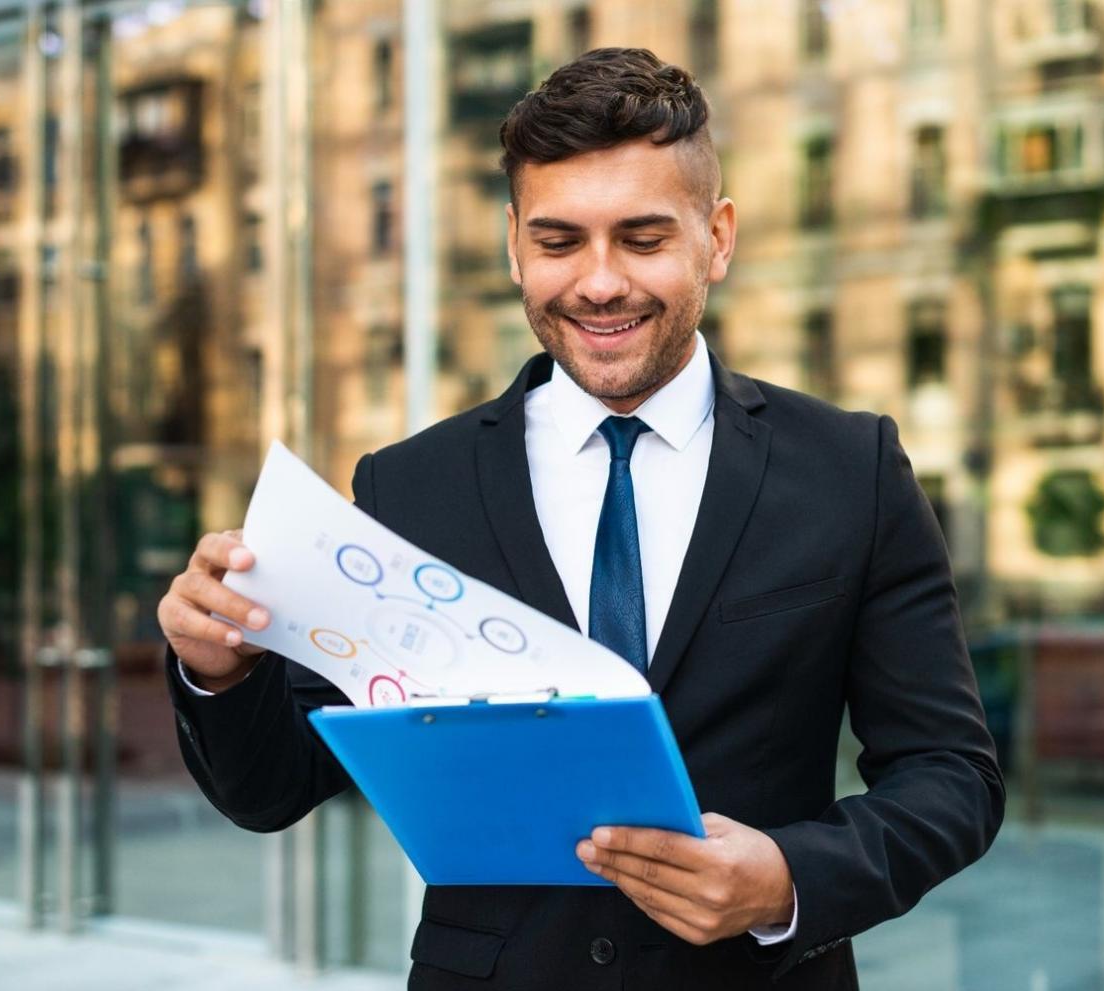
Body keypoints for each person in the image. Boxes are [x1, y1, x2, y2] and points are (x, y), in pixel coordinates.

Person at [158, 48, 1003, 990]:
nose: (598, 284)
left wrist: (786, 880)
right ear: (513, 243)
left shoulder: (853, 470)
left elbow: (951, 776)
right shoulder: (410, 487)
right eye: (559, 242)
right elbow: (274, 789)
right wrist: (217, 673)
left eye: (642, 238)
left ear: (716, 239)